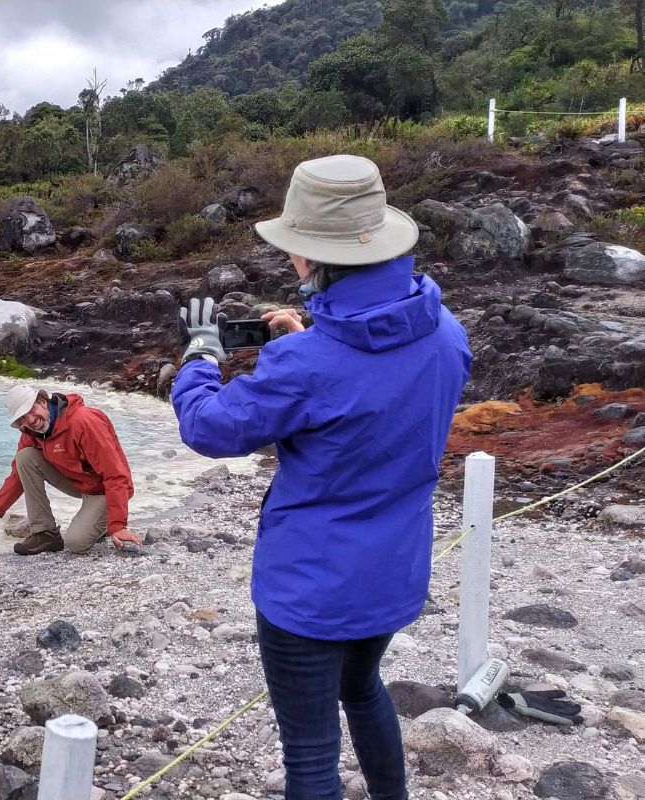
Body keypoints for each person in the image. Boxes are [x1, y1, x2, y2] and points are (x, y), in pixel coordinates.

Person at [172, 154, 472, 800]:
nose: (290, 259)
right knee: (362, 689)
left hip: (307, 590)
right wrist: (307, 337)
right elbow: (371, 390)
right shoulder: (446, 333)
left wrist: (199, 357)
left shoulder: (307, 365)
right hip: (392, 572)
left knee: (309, 758)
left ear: (314, 258)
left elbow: (209, 427)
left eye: (294, 247)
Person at [0, 385, 143, 555]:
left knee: (76, 543)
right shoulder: (31, 432)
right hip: (81, 483)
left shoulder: (83, 421)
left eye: (31, 410)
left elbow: (115, 475)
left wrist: (117, 525)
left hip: (105, 489)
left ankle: (103, 522)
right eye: (22, 418)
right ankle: (45, 534)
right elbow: (17, 476)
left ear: (43, 401)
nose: (30, 420)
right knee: (25, 457)